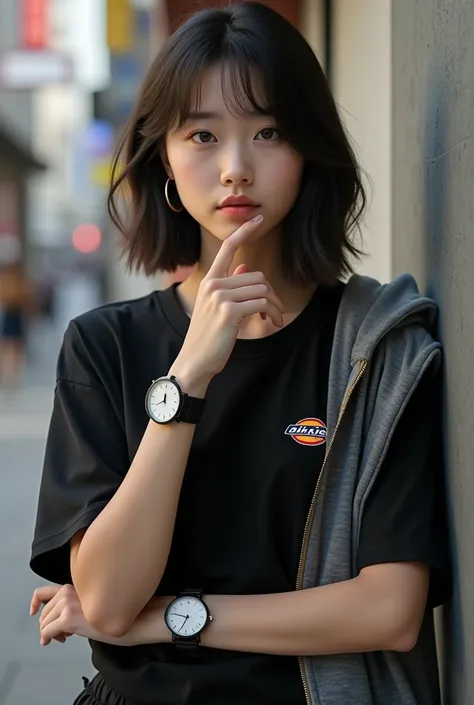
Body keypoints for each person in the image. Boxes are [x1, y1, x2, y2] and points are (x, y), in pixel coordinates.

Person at [29, 3, 450, 704]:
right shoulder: (105, 346)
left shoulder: (376, 347)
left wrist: (173, 616)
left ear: (309, 150)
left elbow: (391, 610)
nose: (234, 168)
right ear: (162, 151)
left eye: (268, 132)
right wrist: (187, 378)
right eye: (202, 133)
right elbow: (105, 601)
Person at [0, 263, 35, 389]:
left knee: (15, 347)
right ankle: (9, 375)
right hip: (10, 315)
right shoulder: (10, 283)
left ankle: (12, 376)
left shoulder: (19, 283)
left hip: (16, 316)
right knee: (9, 347)